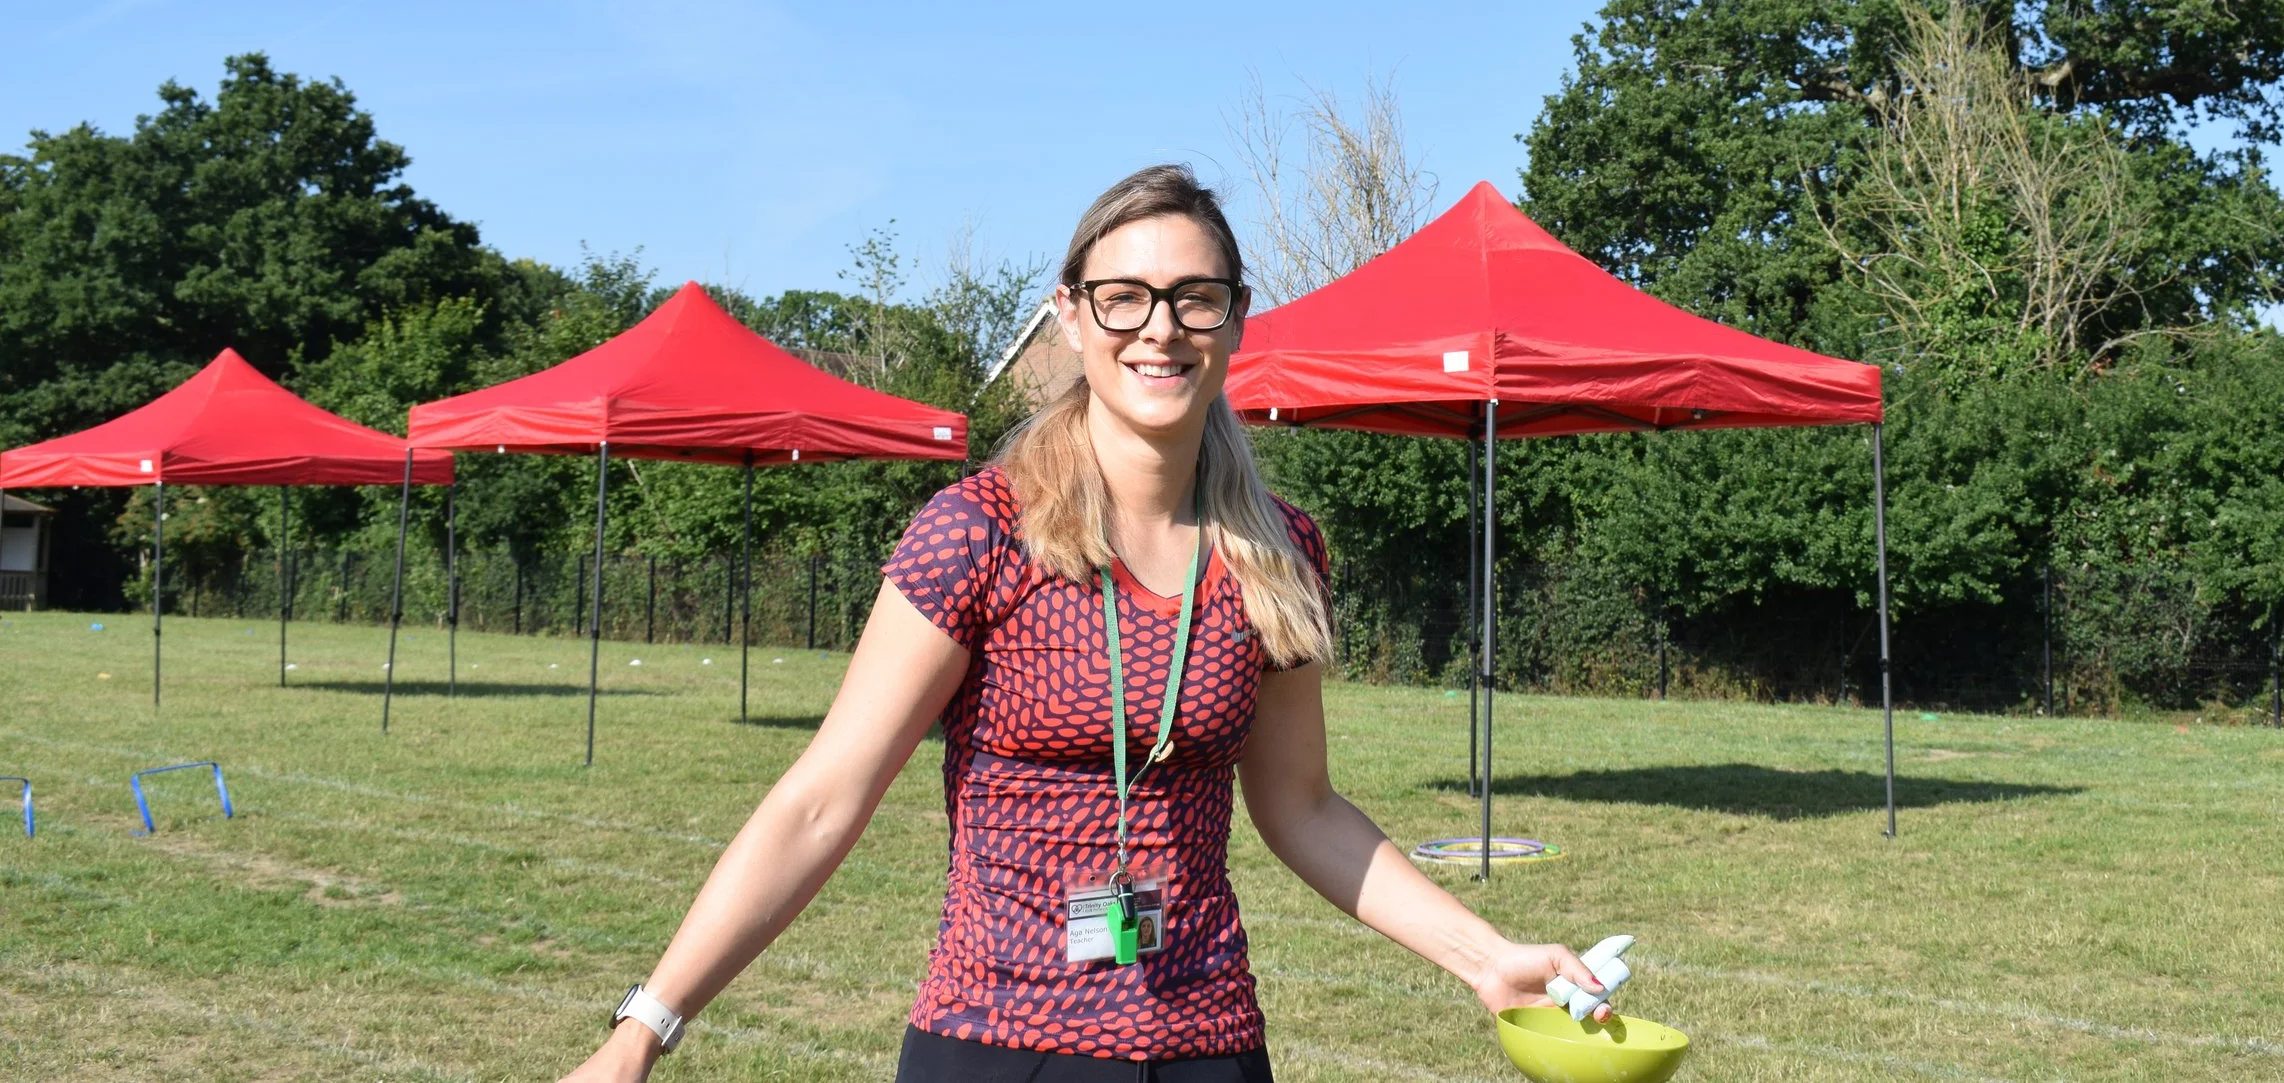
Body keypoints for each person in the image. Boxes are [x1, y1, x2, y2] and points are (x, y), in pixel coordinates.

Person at [562, 165, 1612, 1082]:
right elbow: (822, 799)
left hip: (1208, 1040)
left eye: (1193, 298)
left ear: (1235, 316)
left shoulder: (1279, 548)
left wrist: (1484, 954)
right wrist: (642, 1029)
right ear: (1072, 316)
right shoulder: (977, 531)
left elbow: (1301, 807)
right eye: (1124, 298)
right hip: (999, 1039)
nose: (1159, 327)